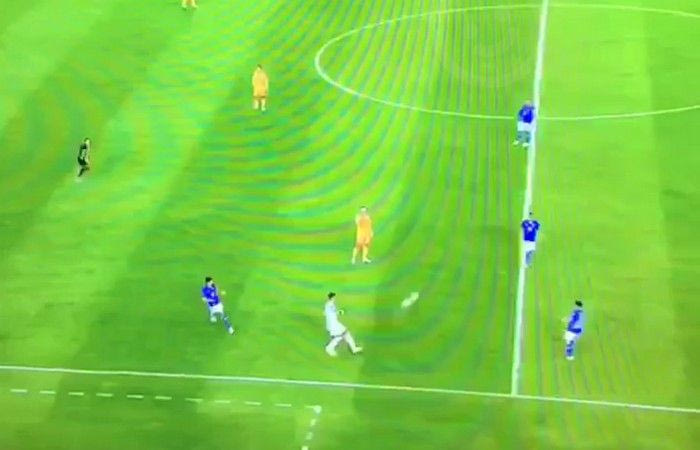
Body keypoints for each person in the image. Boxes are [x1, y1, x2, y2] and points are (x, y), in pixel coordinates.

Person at [324, 292, 362, 356]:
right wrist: (340, 312)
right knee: (340, 336)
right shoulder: (330, 304)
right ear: (332, 297)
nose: (335, 298)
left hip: (334, 323)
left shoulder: (328, 304)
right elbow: (333, 313)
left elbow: (329, 313)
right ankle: (329, 348)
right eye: (334, 297)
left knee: (344, 334)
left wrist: (339, 312)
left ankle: (354, 348)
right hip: (333, 325)